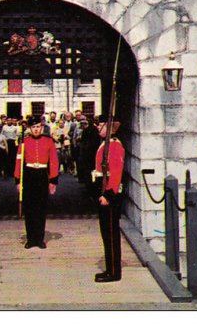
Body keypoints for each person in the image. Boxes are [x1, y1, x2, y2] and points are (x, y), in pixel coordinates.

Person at [14, 115, 59, 249]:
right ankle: (30, 239)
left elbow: (54, 161)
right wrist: (18, 180)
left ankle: (39, 239)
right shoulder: (24, 142)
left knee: (40, 208)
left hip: (41, 176)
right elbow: (19, 162)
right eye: (33, 127)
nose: (36, 129)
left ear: (42, 127)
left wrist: (53, 180)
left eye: (38, 127)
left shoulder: (49, 141)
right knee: (29, 208)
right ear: (29, 128)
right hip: (29, 175)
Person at [92, 120, 125, 283]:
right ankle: (110, 268)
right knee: (106, 233)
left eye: (102, 125)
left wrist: (108, 194)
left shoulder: (114, 145)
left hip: (110, 195)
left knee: (111, 233)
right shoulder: (106, 144)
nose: (98, 127)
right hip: (104, 192)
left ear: (110, 128)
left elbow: (116, 173)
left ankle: (114, 272)